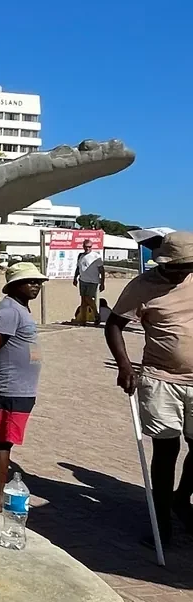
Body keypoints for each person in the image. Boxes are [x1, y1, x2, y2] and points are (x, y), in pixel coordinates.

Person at [105, 231, 193, 547]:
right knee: (166, 450)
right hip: (161, 379)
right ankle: (163, 520)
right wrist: (125, 366)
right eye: (179, 267)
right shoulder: (142, 286)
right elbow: (114, 324)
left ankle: (181, 499)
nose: (184, 272)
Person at [0, 262, 47, 510]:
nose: (36, 286)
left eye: (39, 282)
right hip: (11, 388)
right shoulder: (10, 311)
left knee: (0, 438)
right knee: (4, 440)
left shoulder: (19, 309)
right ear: (15, 285)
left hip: (19, 386)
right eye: (31, 282)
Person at [72, 238, 105, 326]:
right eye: (86, 247)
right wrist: (75, 278)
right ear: (83, 246)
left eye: (89, 247)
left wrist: (102, 283)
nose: (87, 248)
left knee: (88, 298)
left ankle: (96, 314)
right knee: (83, 301)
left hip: (93, 281)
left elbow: (102, 270)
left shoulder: (96, 256)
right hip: (82, 280)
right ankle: (83, 320)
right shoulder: (80, 256)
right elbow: (78, 268)